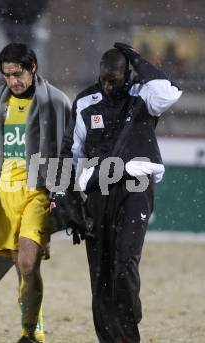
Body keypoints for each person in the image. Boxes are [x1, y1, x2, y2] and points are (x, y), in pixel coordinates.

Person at [51, 43, 182, 343]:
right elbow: (69, 152)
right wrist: (62, 196)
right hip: (98, 189)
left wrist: (138, 59)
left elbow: (170, 92)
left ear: (128, 75)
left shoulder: (143, 94)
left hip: (136, 186)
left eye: (115, 79)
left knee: (124, 263)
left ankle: (128, 320)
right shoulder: (86, 101)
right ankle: (112, 338)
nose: (108, 85)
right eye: (104, 78)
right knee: (100, 275)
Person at [0, 43, 71, 343]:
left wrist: (66, 190)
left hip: (38, 194)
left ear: (33, 67)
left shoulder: (56, 102)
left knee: (29, 263)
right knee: (21, 268)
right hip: (5, 196)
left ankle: (32, 331)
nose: (13, 81)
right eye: (7, 76)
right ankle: (31, 330)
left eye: (17, 74)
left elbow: (73, 148)